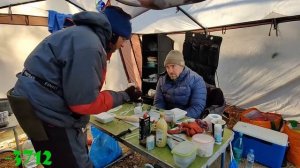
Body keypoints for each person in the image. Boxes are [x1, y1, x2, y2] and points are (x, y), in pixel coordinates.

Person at [10, 6, 141, 168]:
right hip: (49, 114)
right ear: (113, 34)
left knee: (54, 161)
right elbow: (84, 103)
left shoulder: (79, 34)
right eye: (124, 39)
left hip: (34, 106)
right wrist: (124, 95)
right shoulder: (90, 46)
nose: (123, 45)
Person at [154, 50, 207, 119]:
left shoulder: (196, 80)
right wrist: (162, 116)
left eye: (173, 66)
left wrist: (176, 118)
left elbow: (197, 107)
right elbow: (158, 102)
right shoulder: (162, 80)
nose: (170, 71)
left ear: (181, 65)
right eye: (167, 67)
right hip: (166, 118)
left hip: (187, 120)